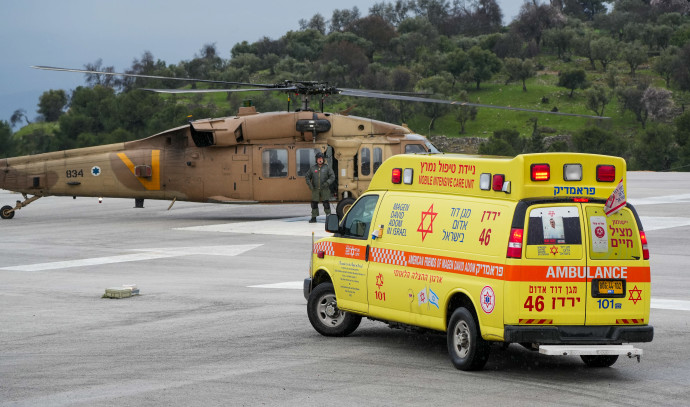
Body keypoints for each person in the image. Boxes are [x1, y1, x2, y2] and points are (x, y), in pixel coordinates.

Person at [305, 151, 335, 223]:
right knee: (314, 204)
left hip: (325, 189)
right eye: (318, 158)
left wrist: (327, 183)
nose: (320, 159)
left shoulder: (327, 168)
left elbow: (332, 176)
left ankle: (328, 218)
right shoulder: (313, 168)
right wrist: (310, 186)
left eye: (321, 158)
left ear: (323, 159)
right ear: (316, 159)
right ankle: (313, 218)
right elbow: (307, 177)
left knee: (326, 203)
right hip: (315, 189)